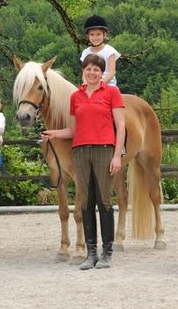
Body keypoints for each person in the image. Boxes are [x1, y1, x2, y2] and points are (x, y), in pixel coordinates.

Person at [41, 54, 125, 270]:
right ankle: (91, 252)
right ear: (83, 71)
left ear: (101, 73)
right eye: (88, 69)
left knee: (104, 201)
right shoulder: (75, 96)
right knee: (85, 203)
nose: (92, 73)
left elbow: (121, 126)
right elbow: (73, 129)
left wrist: (117, 155)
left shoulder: (111, 92)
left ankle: (107, 252)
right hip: (80, 150)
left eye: (96, 70)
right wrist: (54, 134)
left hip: (104, 149)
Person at [80, 15, 120, 86]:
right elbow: (84, 72)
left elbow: (111, 72)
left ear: (104, 35)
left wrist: (99, 84)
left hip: (107, 84)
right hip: (90, 83)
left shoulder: (110, 51)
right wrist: (85, 83)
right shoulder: (85, 53)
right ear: (88, 36)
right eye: (92, 34)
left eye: (98, 34)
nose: (95, 37)